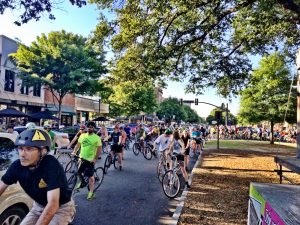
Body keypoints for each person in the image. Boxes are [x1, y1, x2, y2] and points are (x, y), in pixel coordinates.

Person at [0, 128, 75, 225]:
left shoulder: (51, 164)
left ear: (43, 151)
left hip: (61, 208)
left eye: (29, 149)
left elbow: (53, 204)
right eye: (20, 148)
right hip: (38, 206)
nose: (22, 154)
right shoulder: (16, 166)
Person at [72, 122, 102, 200]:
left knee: (90, 177)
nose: (89, 128)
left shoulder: (96, 138)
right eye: (88, 127)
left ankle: (91, 192)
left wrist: (95, 158)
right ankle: (83, 182)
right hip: (81, 158)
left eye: (91, 127)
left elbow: (99, 149)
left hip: (90, 160)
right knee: (78, 172)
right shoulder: (82, 135)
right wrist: (74, 152)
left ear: (94, 128)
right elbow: (78, 145)